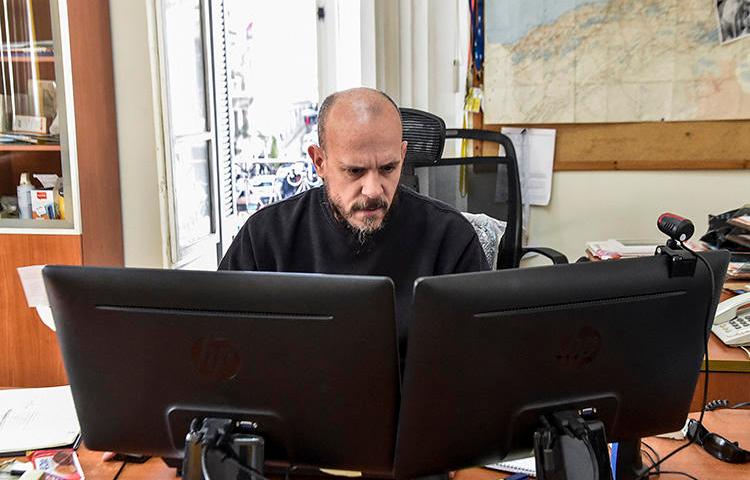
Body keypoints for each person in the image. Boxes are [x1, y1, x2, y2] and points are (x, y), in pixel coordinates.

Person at [219, 87, 489, 359]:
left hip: (413, 400)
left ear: (402, 156)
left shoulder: (450, 239)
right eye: (355, 171)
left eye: (387, 168)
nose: (373, 190)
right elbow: (220, 346)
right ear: (319, 162)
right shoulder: (264, 238)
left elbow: (480, 358)